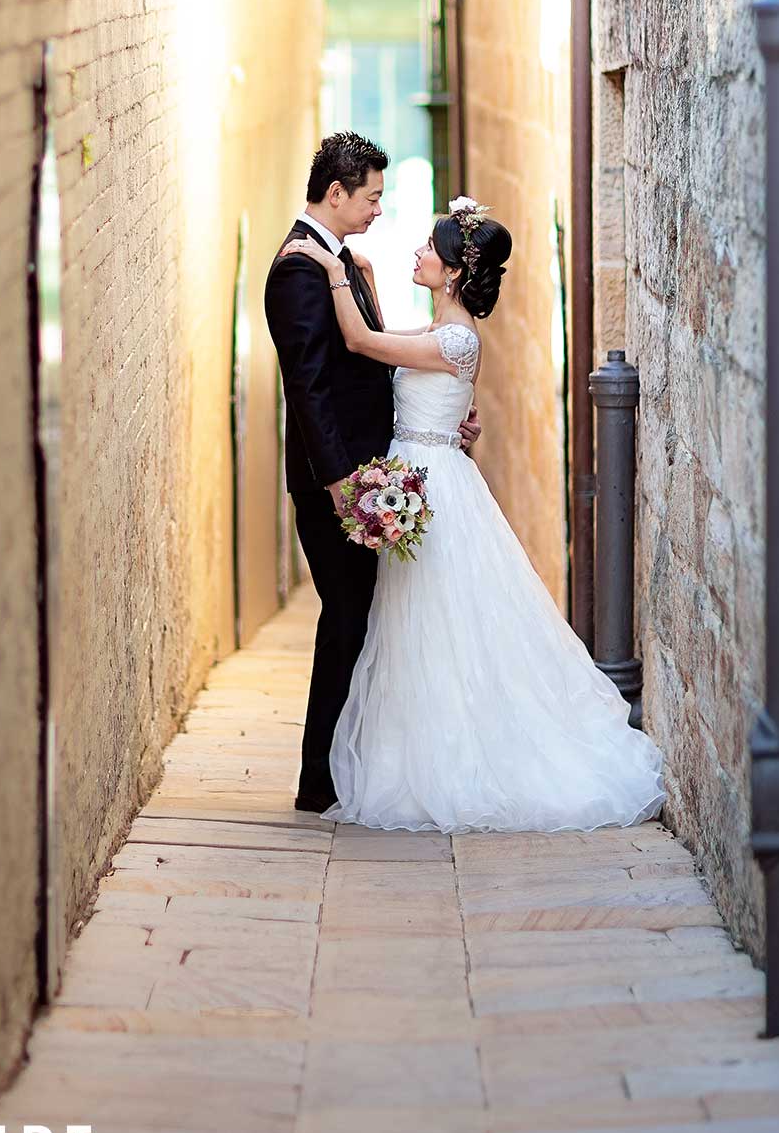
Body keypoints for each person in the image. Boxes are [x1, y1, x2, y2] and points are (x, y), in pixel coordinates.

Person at [277, 196, 665, 833]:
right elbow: (394, 352)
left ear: (453, 271)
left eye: (429, 249)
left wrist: (333, 266)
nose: (419, 253)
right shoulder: (441, 332)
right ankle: (410, 751)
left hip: (432, 486)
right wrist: (363, 275)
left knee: (436, 626)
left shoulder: (455, 338)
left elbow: (361, 342)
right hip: (424, 471)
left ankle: (452, 759)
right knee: (412, 629)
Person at [263, 132, 480, 814]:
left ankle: (342, 769)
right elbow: (309, 386)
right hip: (337, 483)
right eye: (372, 197)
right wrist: (338, 484)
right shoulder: (300, 269)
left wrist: (442, 419)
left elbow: (370, 357)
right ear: (337, 193)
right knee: (347, 617)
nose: (378, 210)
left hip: (372, 472)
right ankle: (318, 779)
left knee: (362, 618)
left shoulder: (341, 259)